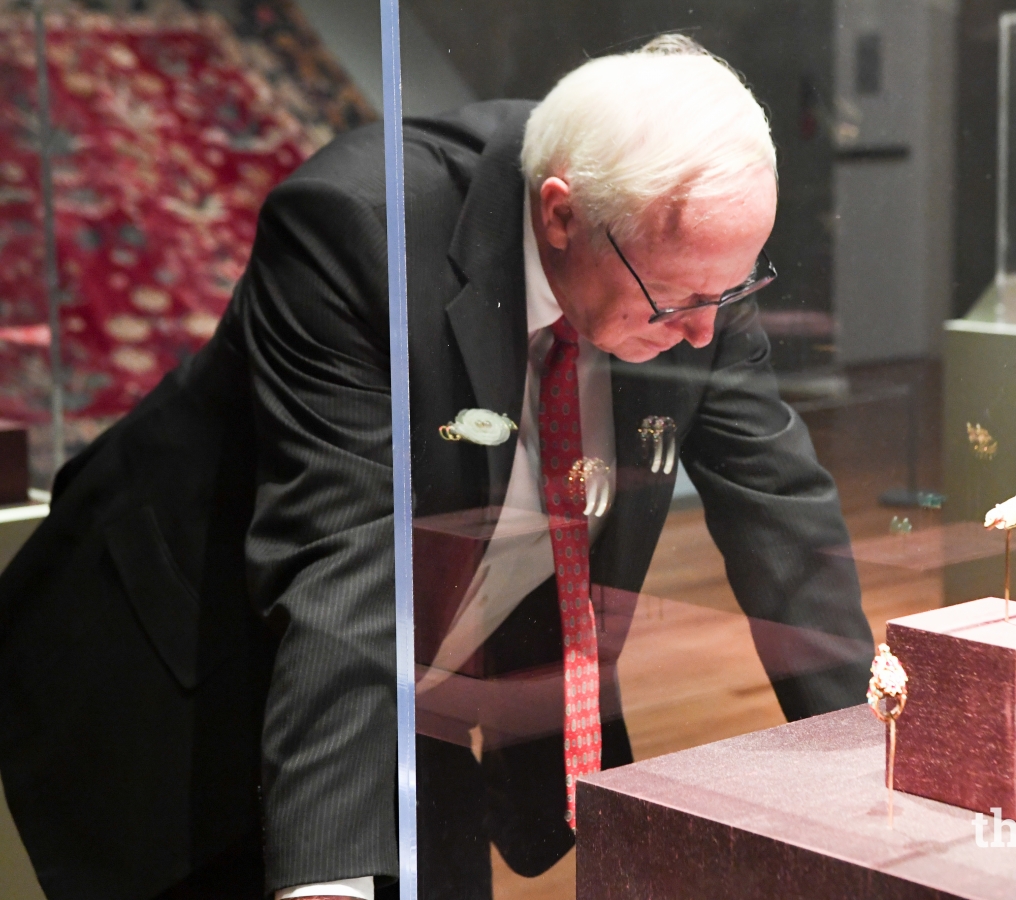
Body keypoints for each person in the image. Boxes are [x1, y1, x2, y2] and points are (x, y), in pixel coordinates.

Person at [0, 34, 872, 900]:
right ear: (563, 214)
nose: (704, 332)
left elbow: (780, 511)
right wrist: (332, 883)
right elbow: (345, 556)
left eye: (731, 292)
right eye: (677, 301)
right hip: (200, 662)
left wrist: (866, 770)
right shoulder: (360, 231)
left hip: (434, 664)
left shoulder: (690, 265)